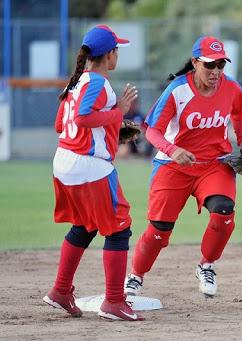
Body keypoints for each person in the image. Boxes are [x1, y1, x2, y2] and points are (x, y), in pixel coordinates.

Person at [124, 36, 242, 298]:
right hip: (172, 167)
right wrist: (173, 150)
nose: (216, 71)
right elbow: (151, 130)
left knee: (223, 212)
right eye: (210, 65)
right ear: (195, 62)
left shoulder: (231, 88)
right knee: (159, 232)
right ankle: (135, 276)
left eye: (220, 64)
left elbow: (239, 113)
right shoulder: (177, 90)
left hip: (214, 165)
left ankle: (206, 265)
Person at [42, 25, 144, 321]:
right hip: (90, 166)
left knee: (86, 226)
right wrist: (119, 112)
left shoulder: (74, 83)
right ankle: (114, 302)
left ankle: (61, 291)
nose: (117, 55)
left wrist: (112, 128)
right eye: (116, 50)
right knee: (119, 226)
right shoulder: (98, 82)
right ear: (109, 54)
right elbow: (84, 118)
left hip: (65, 162)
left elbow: (62, 125)